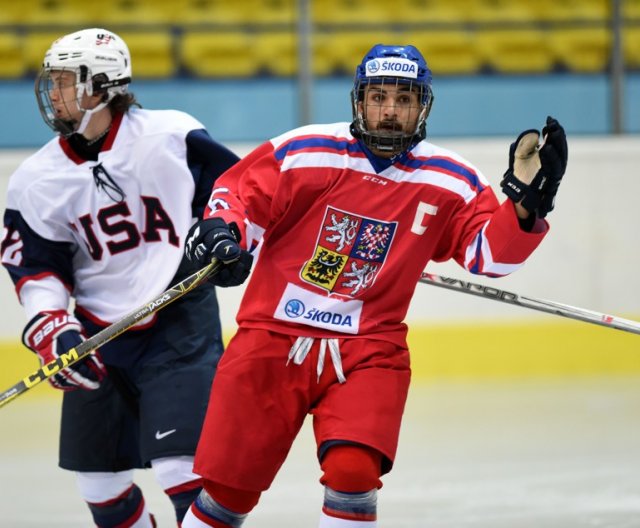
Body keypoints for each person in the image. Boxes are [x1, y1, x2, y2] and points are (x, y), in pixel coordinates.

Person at [181, 44, 568, 528]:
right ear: (357, 100)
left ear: (422, 107)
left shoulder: (451, 179)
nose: (388, 111)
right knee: (227, 490)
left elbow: (488, 256)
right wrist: (224, 232)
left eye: (403, 100)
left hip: (368, 346)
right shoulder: (305, 150)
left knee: (353, 470)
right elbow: (237, 195)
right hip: (270, 336)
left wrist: (527, 205)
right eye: (378, 97)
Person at [0, 28, 240, 527]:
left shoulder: (169, 136)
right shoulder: (35, 180)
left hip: (177, 317)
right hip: (97, 334)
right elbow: (37, 265)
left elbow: (234, 193)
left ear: (100, 86)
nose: (54, 92)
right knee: (99, 484)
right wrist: (51, 326)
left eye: (65, 81)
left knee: (182, 469)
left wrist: (232, 236)